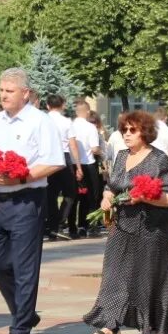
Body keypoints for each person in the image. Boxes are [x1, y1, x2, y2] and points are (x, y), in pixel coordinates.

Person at [0, 68, 65, 334]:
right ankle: (26, 312)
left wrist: (21, 176)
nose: (3, 95)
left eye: (9, 91)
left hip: (27, 199)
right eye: (1, 90)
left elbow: (54, 161)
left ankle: (20, 328)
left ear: (25, 93)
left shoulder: (40, 121)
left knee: (24, 267)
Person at [83, 109, 168, 334]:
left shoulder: (158, 159)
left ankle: (159, 323)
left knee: (149, 278)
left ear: (145, 132)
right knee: (114, 275)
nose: (126, 134)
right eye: (124, 130)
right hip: (123, 225)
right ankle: (110, 327)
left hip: (153, 228)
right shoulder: (120, 155)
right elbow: (112, 185)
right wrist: (106, 197)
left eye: (132, 130)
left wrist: (147, 198)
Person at [44, 95, 78, 242]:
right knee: (70, 193)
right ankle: (58, 222)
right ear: (63, 105)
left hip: (47, 156)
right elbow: (72, 144)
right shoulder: (66, 121)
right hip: (63, 157)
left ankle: (52, 226)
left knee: (50, 194)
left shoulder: (43, 119)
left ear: (47, 106)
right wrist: (78, 165)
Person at [72, 101, 103, 237]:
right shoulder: (91, 127)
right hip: (89, 165)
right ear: (88, 112)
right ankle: (90, 225)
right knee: (91, 196)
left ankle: (76, 226)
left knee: (76, 196)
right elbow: (95, 148)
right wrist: (101, 152)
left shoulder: (71, 126)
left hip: (73, 164)